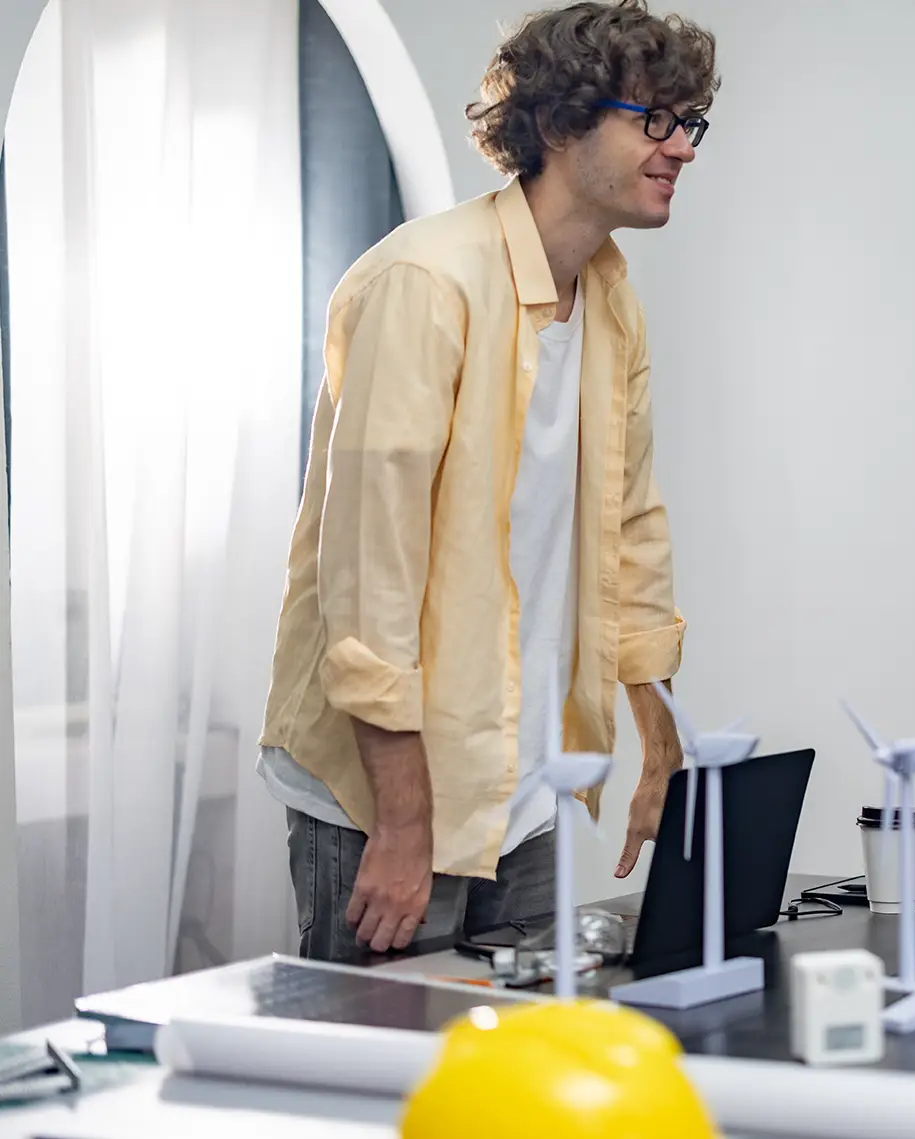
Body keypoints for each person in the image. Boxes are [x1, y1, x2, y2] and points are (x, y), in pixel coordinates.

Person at [256, 0, 718, 963]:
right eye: (654, 119)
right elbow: (370, 587)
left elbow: (633, 533)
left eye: (691, 123)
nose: (681, 147)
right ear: (557, 125)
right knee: (386, 1094)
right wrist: (405, 822)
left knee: (510, 1085)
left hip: (527, 784)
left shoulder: (613, 301)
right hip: (381, 797)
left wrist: (662, 750)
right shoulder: (426, 284)